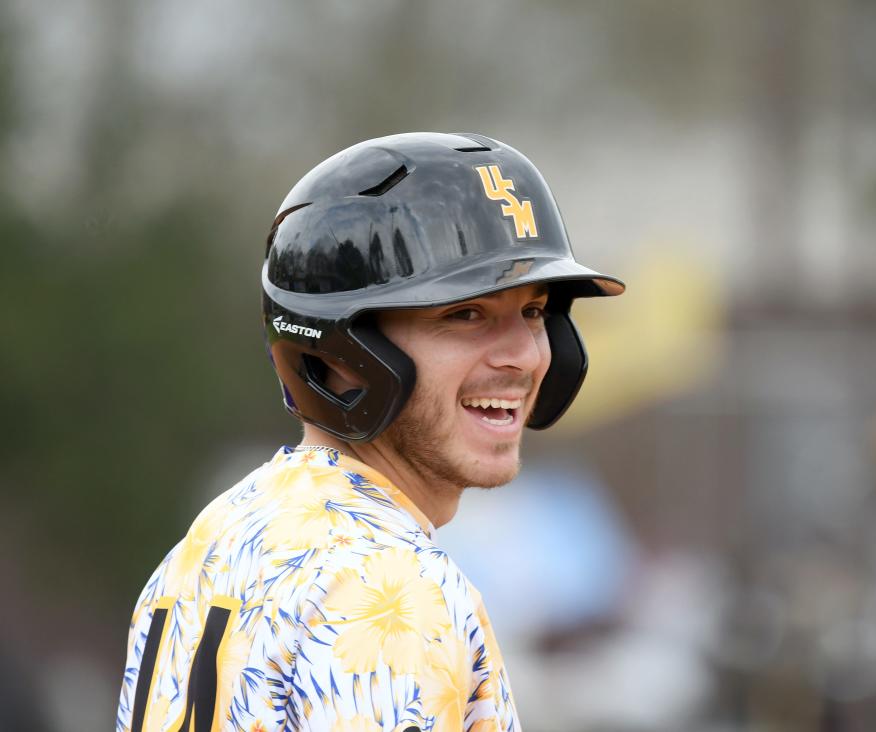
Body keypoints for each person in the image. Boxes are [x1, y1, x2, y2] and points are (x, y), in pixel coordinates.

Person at [117, 132, 624, 732]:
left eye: (535, 312)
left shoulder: (212, 545)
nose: (524, 356)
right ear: (340, 352)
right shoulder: (388, 589)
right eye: (464, 314)